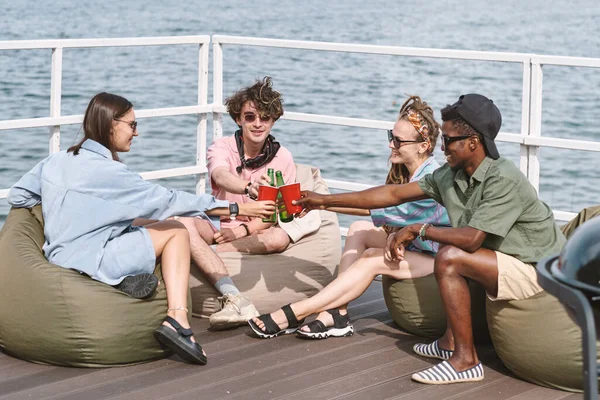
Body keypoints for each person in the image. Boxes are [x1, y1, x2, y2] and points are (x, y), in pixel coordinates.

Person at [293, 94, 565, 384]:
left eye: (448, 140)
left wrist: (418, 229)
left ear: (473, 142)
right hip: (504, 260)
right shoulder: (451, 174)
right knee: (450, 247)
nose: (442, 146)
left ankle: (465, 362)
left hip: (538, 270)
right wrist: (323, 200)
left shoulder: (503, 178)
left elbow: (472, 239)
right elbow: (392, 194)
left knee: (451, 254)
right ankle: (449, 343)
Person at [7, 92, 275, 365]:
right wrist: (237, 209)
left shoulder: (56, 160)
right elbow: (171, 201)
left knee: (138, 220)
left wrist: (68, 208)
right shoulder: (112, 174)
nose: (137, 133)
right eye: (132, 125)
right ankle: (178, 321)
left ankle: (127, 279)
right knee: (176, 230)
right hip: (93, 259)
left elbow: (19, 197)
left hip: (57, 256)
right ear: (111, 125)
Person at [248, 95, 450, 339]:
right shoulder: (413, 173)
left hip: (439, 259)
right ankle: (337, 314)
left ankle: (295, 312)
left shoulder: (427, 182)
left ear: (423, 145)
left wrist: (320, 203)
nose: (391, 145)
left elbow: (373, 207)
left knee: (372, 258)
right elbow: (376, 213)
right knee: (358, 229)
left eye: (398, 140)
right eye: (390, 137)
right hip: (421, 248)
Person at [174, 77, 297, 330]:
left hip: (253, 230)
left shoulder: (283, 158)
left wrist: (242, 231)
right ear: (238, 118)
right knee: (183, 223)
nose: (258, 123)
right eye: (250, 117)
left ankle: (205, 255)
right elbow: (220, 175)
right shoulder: (222, 147)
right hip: (219, 221)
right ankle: (231, 292)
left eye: (265, 117)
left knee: (279, 237)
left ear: (274, 120)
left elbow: (275, 215)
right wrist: (247, 187)